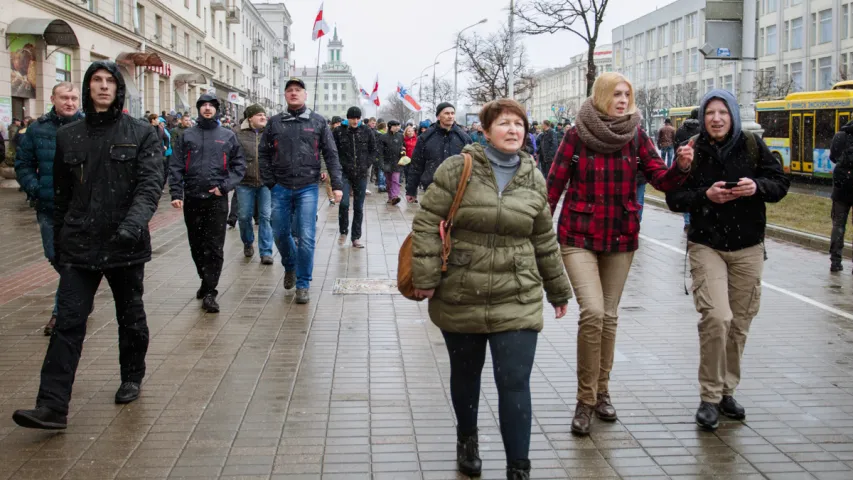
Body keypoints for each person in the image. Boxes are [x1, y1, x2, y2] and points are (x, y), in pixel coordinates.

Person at [411, 99, 571, 480]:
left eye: (520, 124)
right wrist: (426, 277)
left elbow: (544, 238)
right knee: (466, 376)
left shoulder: (534, 176)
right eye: (504, 123)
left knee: (514, 382)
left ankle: (519, 467)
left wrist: (558, 290)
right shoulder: (458, 168)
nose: (514, 130)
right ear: (484, 130)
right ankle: (467, 438)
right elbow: (426, 222)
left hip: (517, 292)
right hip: (462, 289)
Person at [12, 61, 164, 430]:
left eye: (109, 81)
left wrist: (132, 224)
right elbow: (62, 195)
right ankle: (52, 405)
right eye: (95, 80)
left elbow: (150, 185)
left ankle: (132, 375)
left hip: (124, 244)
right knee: (68, 323)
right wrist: (63, 238)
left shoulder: (141, 133)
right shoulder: (70, 136)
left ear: (118, 88)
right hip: (80, 246)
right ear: (86, 87)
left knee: (130, 317)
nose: (102, 86)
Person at [546, 72, 692, 436]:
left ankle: (602, 392)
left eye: (628, 93)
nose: (623, 99)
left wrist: (682, 168)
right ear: (601, 96)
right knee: (593, 312)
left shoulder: (636, 135)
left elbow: (660, 178)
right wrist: (534, 234)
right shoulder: (576, 135)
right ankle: (584, 399)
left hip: (620, 236)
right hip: (578, 235)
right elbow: (552, 187)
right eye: (616, 93)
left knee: (609, 316)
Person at [665, 89, 789, 430]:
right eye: (710, 113)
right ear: (702, 118)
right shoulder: (692, 150)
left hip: (748, 247)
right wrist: (704, 193)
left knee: (739, 323)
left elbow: (780, 183)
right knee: (716, 318)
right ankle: (708, 396)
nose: (716, 118)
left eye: (722, 112)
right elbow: (674, 199)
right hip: (708, 245)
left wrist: (756, 186)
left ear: (732, 115)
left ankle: (726, 391)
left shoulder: (751, 145)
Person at [259, 78, 343, 304]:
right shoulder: (275, 122)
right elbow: (264, 154)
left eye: (298, 90)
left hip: (307, 186)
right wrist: (270, 182)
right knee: (279, 231)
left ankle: (303, 284)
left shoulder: (317, 122)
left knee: (306, 236)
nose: (294, 93)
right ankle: (290, 265)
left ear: (305, 94)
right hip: (280, 187)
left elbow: (331, 153)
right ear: (285, 96)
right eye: (289, 91)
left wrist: (337, 184)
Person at [14, 82, 83, 336]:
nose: (70, 102)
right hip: (49, 207)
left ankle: (61, 313)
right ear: (53, 98)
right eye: (64, 97)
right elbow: (23, 163)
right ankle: (77, 298)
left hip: (80, 208)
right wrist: (37, 189)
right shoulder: (38, 129)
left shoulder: (87, 127)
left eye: (74, 98)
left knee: (70, 261)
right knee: (56, 257)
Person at [169, 93, 246, 313]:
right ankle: (205, 279)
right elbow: (175, 166)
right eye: (203, 105)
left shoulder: (227, 136)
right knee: (196, 245)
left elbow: (238, 166)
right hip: (193, 197)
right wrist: (176, 193)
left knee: (214, 246)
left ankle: (211, 290)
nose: (207, 108)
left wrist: (224, 187)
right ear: (198, 109)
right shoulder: (187, 136)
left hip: (217, 199)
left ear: (217, 110)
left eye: (212, 105)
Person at [406, 102, 472, 203]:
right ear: (438, 116)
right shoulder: (426, 137)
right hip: (432, 187)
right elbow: (416, 164)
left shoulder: (463, 137)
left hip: (458, 189)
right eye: (446, 113)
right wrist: (411, 190)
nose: (450, 116)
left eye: (452, 113)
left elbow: (472, 164)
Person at [234, 103, 273, 265]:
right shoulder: (237, 133)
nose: (263, 117)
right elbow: (232, 156)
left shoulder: (270, 133)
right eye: (259, 115)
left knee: (265, 216)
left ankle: (266, 251)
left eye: (264, 114)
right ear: (250, 118)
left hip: (265, 181)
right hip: (244, 182)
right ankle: (248, 242)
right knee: (244, 216)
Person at [333, 106, 376, 248]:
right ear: (348, 118)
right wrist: (338, 167)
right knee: (344, 203)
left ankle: (356, 237)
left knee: (358, 206)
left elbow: (373, 151)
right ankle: (343, 231)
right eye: (352, 118)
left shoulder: (366, 131)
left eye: (357, 118)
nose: (355, 121)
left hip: (361, 174)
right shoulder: (339, 132)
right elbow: (333, 151)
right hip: (344, 173)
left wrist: (366, 164)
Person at [830, 119, 853, 272]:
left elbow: (833, 157)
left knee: (838, 225)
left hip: (841, 187)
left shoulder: (840, 135)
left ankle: (836, 261)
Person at [674, 108, 701, 230]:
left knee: (687, 190)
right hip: (699, 166)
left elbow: (676, 146)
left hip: (684, 165)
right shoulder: (702, 130)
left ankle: (687, 221)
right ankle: (695, 219)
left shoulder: (680, 130)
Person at [378, 120, 405, 205]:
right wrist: (381, 163)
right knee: (389, 181)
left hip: (397, 162)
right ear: (390, 127)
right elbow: (380, 152)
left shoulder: (400, 136)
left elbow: (402, 147)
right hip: (387, 162)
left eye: (398, 125)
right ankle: (390, 197)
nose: (397, 127)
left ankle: (395, 196)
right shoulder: (383, 137)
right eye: (395, 126)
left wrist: (403, 152)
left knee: (395, 180)